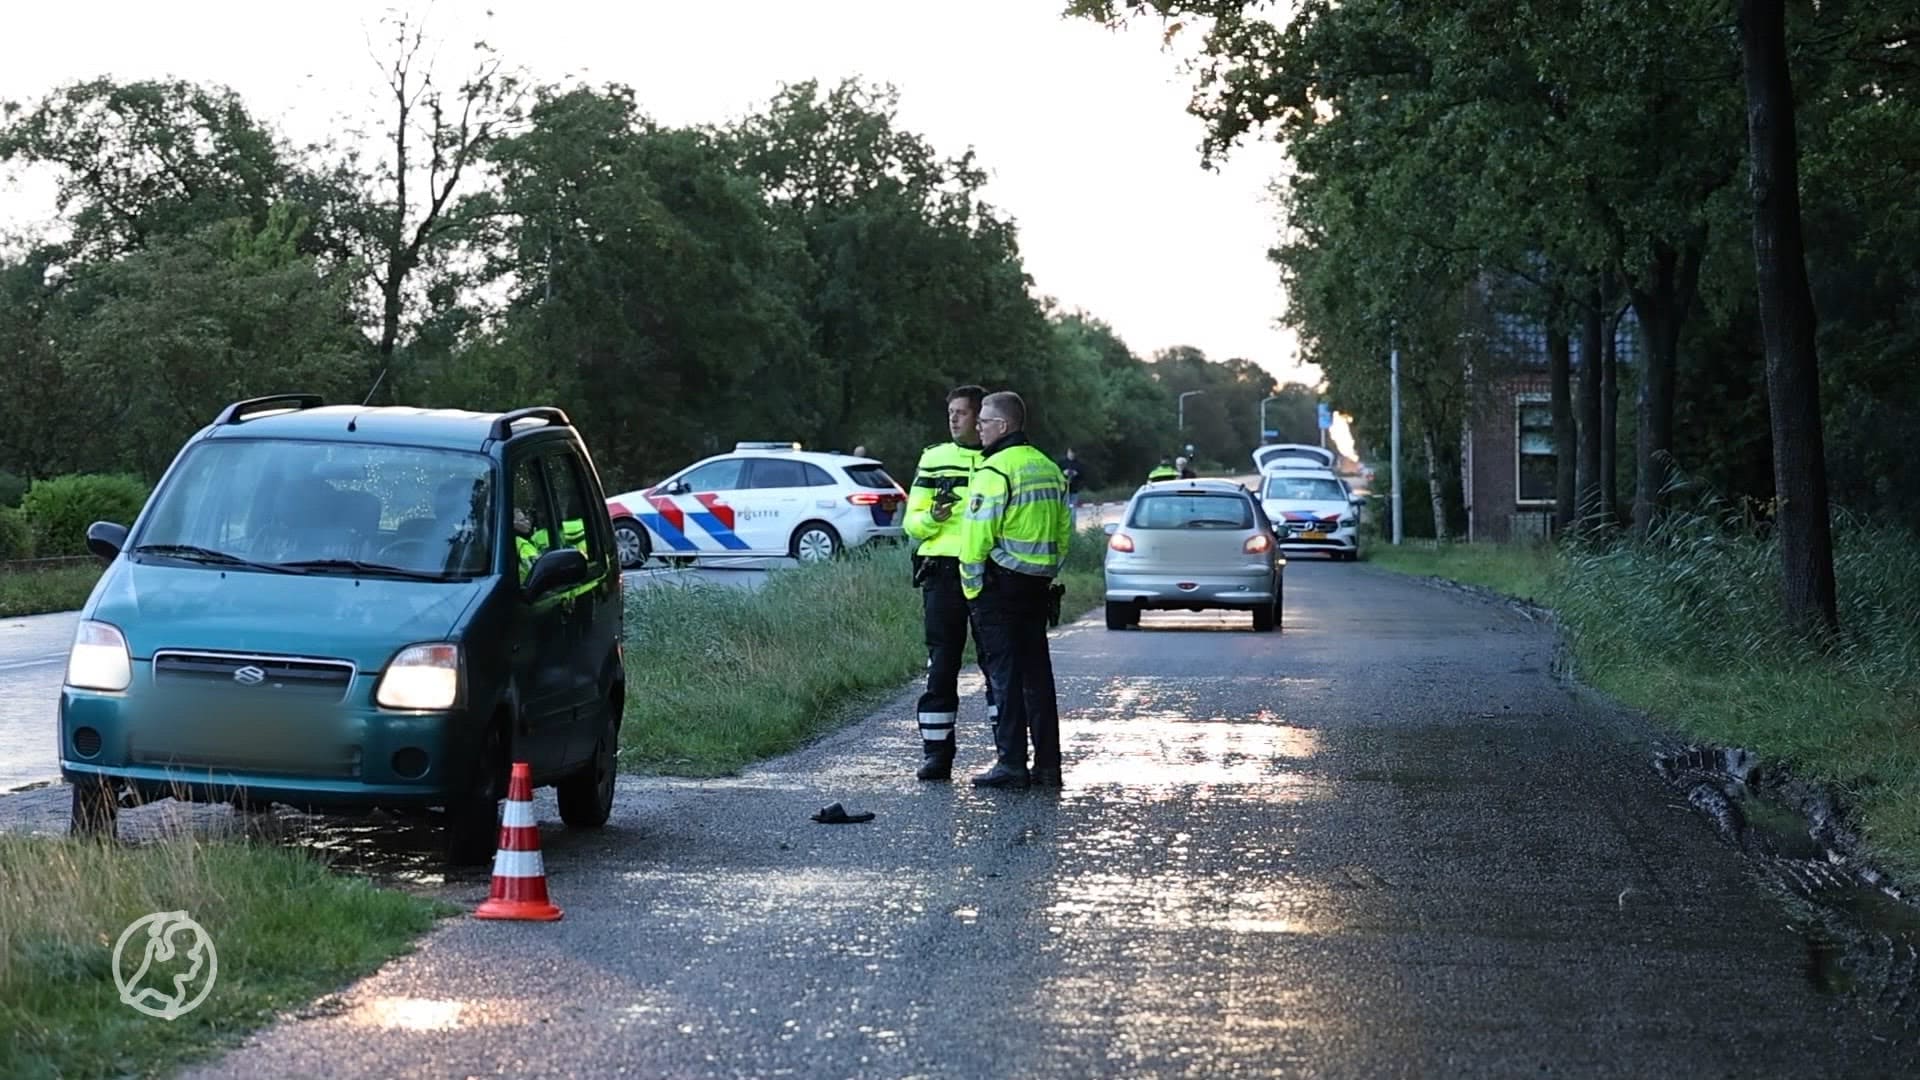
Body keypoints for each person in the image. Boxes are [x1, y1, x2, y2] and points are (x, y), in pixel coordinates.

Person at [961, 391, 1073, 789]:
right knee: (1038, 676)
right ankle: (1048, 766)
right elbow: (1064, 530)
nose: (978, 427)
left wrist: (972, 589)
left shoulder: (995, 470)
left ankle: (1011, 763)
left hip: (1000, 585)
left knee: (1004, 676)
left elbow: (976, 537)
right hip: (1037, 585)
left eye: (984, 421)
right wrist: (1046, 570)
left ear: (1003, 425)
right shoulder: (1048, 467)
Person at [901, 385, 996, 781]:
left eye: (962, 412)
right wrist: (933, 519)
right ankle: (936, 756)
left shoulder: (1000, 459)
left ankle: (1007, 756)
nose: (953, 419)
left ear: (981, 417)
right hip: (942, 572)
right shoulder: (935, 459)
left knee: (996, 665)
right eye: (950, 412)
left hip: (990, 571)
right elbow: (911, 523)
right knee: (941, 665)